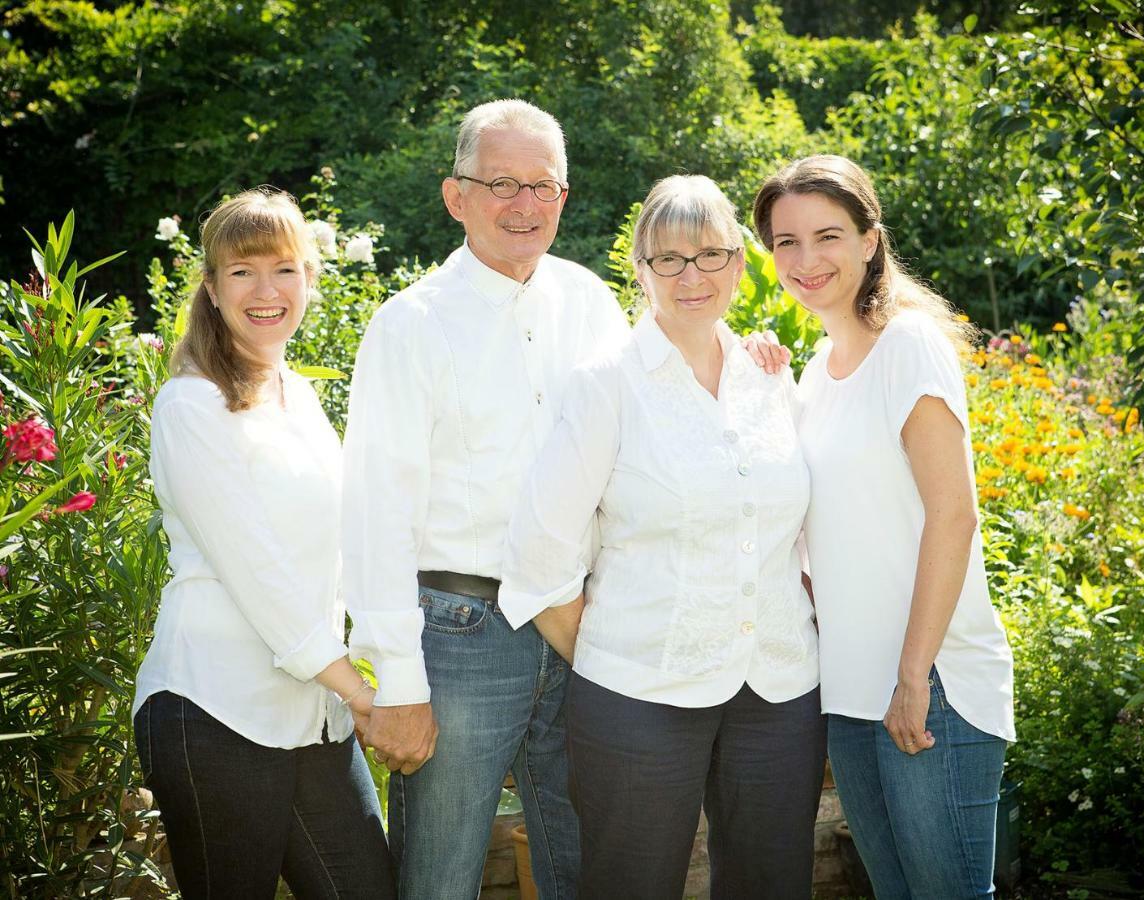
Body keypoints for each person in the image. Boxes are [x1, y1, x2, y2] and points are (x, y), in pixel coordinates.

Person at [499, 174, 826, 900]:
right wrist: (616, 652)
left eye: (710, 255)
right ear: (640, 270)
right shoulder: (605, 384)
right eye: (668, 259)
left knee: (772, 884)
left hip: (776, 686)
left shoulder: (769, 378)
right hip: (637, 695)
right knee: (630, 885)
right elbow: (536, 553)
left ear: (740, 264)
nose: (691, 276)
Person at [340, 99, 631, 900]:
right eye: (501, 183)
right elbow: (375, 508)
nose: (525, 205)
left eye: (544, 185)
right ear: (455, 195)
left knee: (587, 863)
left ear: (565, 197)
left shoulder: (591, 304)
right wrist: (397, 680)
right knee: (439, 879)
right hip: (462, 636)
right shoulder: (410, 326)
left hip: (579, 630)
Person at [753, 154, 1017, 899]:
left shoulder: (908, 346)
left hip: (930, 680)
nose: (806, 260)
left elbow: (953, 513)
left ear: (871, 240)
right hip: (849, 688)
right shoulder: (811, 369)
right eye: (785, 242)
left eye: (827, 235)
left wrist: (911, 675)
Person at [132, 187, 394, 899]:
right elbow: (258, 574)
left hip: (310, 714)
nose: (265, 290)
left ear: (309, 279)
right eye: (241, 271)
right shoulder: (190, 405)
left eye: (283, 268)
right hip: (214, 710)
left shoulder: (295, 396)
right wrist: (363, 697)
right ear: (212, 290)